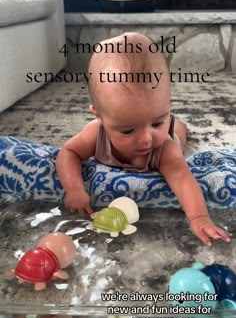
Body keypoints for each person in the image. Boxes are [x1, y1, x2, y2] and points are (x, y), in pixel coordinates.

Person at [56, 32, 230, 246]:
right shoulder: (95, 134)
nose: (147, 139)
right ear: (99, 117)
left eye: (156, 122)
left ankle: (177, 125)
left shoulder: (163, 146)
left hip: (171, 141)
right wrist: (74, 189)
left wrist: (199, 218)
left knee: (177, 135)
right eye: (128, 130)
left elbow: (182, 178)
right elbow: (68, 152)